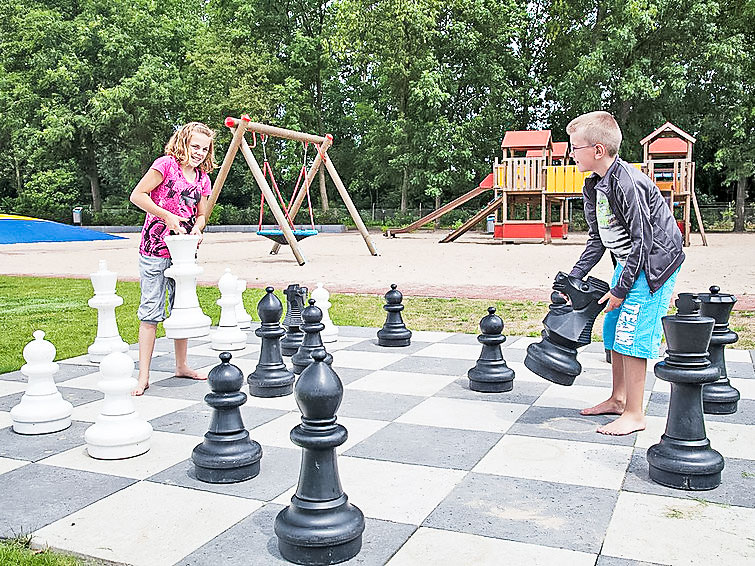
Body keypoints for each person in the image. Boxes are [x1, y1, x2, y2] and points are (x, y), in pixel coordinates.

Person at [567, 111, 684, 435]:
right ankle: (619, 399)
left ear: (598, 150)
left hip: (654, 264)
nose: (571, 153)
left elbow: (643, 240)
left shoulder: (626, 182)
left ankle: (635, 413)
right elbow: (597, 239)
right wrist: (574, 278)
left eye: (575, 147)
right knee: (614, 326)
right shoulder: (594, 185)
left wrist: (620, 289)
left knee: (633, 331)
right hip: (630, 263)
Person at [129, 122, 217, 395]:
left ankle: (182, 366)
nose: (200, 152)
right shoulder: (165, 165)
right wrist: (166, 215)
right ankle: (143, 376)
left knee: (182, 308)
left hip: (184, 254)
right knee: (151, 312)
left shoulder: (202, 178)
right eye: (195, 146)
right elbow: (137, 195)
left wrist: (199, 229)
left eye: (205, 148)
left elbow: (201, 214)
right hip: (155, 249)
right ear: (183, 143)